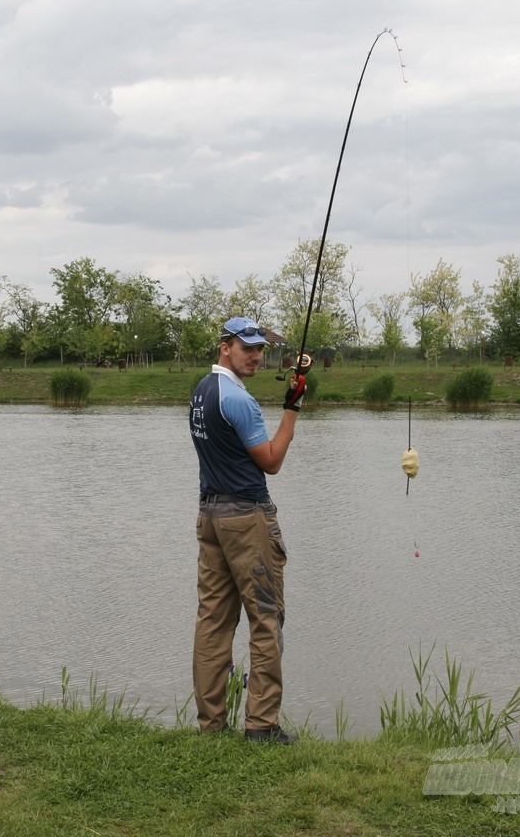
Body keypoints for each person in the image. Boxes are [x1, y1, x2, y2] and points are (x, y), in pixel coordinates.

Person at [189, 316, 305, 744]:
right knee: (266, 617)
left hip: (210, 515)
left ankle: (210, 724)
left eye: (259, 348)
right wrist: (292, 409)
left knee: (213, 621)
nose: (256, 355)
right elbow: (271, 461)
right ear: (225, 347)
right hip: (246, 519)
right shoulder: (239, 400)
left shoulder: (202, 391)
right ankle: (261, 725)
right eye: (246, 347)